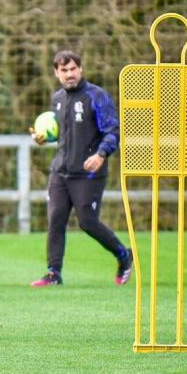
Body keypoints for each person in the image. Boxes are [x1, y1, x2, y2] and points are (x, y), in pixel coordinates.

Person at [29, 50, 132, 287]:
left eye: (73, 69)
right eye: (64, 70)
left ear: (81, 69)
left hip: (89, 173)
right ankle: (54, 273)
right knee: (55, 219)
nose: (69, 74)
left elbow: (113, 131)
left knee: (87, 222)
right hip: (61, 171)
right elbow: (65, 135)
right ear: (56, 73)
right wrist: (44, 138)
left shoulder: (97, 96)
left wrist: (101, 154)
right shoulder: (57, 99)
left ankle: (123, 255)